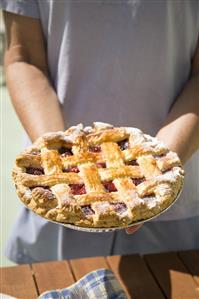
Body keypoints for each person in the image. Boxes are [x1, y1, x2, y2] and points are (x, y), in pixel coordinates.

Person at [1, 0, 199, 264]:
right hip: (57, 191)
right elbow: (24, 55)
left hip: (171, 200)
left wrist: (159, 172)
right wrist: (58, 165)